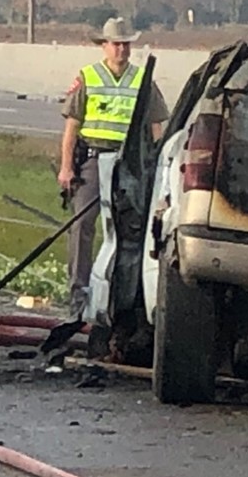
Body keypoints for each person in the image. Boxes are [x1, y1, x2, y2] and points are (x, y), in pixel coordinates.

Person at [57, 17, 170, 316]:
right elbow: (72, 127)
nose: (121, 49)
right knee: (82, 223)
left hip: (130, 164)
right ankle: (78, 294)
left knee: (134, 228)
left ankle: (126, 296)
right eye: (116, 44)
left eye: (126, 44)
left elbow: (157, 125)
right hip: (94, 160)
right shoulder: (88, 77)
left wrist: (158, 168)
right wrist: (67, 168)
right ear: (104, 46)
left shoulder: (142, 80)